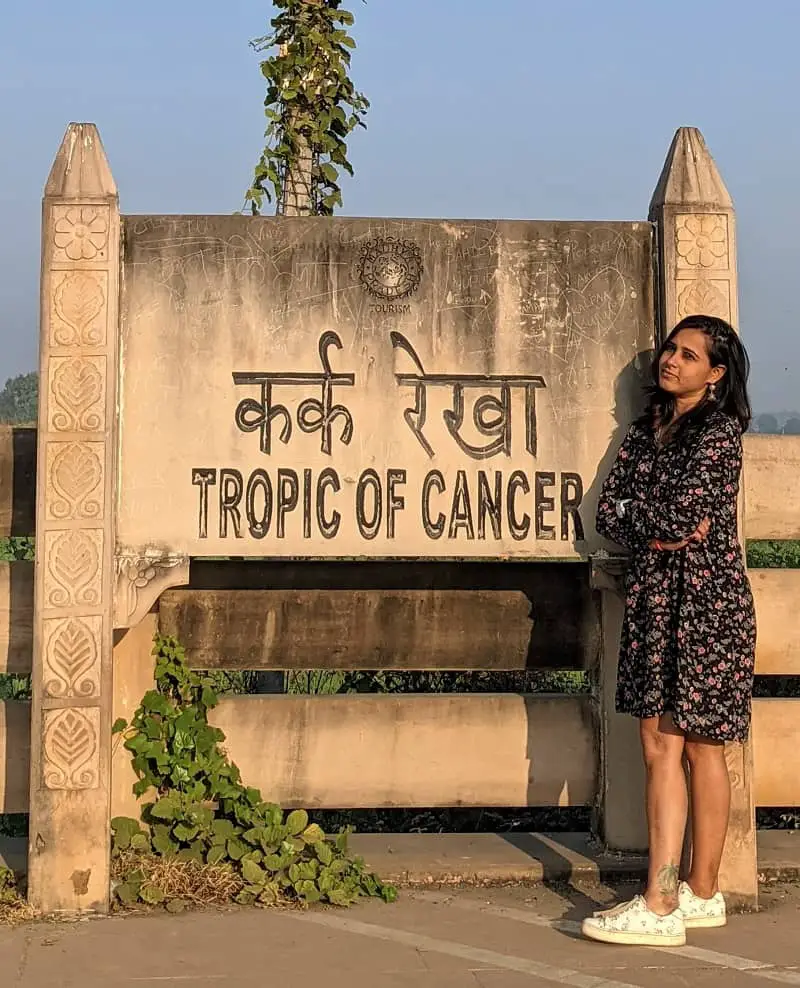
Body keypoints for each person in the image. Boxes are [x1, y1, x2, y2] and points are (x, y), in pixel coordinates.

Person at [581, 314, 756, 948]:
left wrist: (651, 514)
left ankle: (665, 900)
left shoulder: (719, 433)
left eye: (688, 355)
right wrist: (653, 519)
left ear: (715, 375)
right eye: (669, 349)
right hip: (659, 597)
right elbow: (611, 513)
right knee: (673, 745)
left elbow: (687, 513)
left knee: (688, 743)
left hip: (707, 603)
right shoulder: (642, 431)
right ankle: (696, 895)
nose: (671, 360)